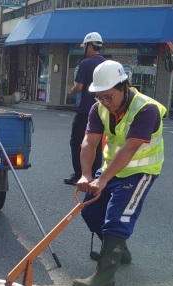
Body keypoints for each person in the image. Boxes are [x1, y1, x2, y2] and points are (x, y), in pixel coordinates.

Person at [73, 60, 165, 286]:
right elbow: (89, 141)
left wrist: (102, 180)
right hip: (111, 168)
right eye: (99, 97)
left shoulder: (146, 109)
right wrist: (86, 175)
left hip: (140, 171)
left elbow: (129, 149)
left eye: (108, 96)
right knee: (90, 210)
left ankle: (104, 277)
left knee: (117, 218)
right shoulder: (99, 108)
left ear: (124, 86)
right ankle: (117, 248)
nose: (105, 102)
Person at [64, 32, 106, 185]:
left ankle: (78, 175)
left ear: (89, 46)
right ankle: (95, 175)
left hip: (86, 110)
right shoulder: (106, 64)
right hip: (103, 110)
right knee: (97, 144)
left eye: (84, 46)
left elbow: (79, 87)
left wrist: (72, 89)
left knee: (76, 142)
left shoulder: (85, 63)